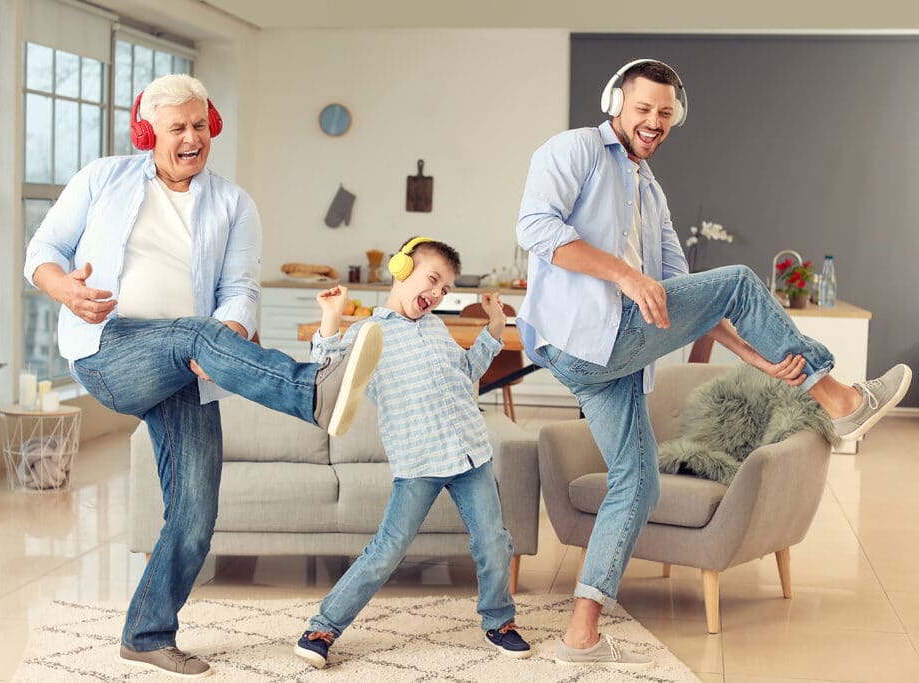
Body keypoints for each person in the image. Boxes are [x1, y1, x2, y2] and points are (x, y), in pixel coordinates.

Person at [515, 59, 912, 668]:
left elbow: (687, 294)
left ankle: (581, 638)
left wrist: (758, 355)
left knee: (638, 483)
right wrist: (625, 274)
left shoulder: (651, 191)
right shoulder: (575, 150)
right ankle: (841, 400)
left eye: (665, 114)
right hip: (581, 338)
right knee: (742, 279)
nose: (653, 122)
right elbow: (536, 227)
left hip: (609, 359)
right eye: (643, 108)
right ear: (616, 103)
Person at [23, 74, 382, 679]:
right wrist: (66, 290)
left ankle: (145, 633)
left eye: (200, 126)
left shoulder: (233, 203)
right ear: (148, 131)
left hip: (190, 364)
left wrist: (230, 332)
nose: (191, 138)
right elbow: (44, 249)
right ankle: (312, 391)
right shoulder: (102, 178)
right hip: (113, 349)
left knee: (194, 514)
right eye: (176, 129)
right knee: (194, 330)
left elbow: (238, 292)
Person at [292, 237, 532, 669]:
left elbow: (467, 371)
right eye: (433, 280)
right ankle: (322, 627)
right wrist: (331, 318)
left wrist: (494, 326)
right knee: (387, 549)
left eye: (445, 290)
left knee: (494, 541)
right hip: (418, 462)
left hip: (470, 456)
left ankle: (499, 621)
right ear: (402, 270)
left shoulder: (437, 328)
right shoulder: (370, 334)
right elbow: (327, 369)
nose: (438, 294)